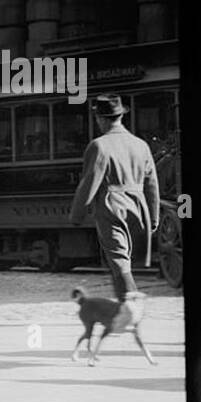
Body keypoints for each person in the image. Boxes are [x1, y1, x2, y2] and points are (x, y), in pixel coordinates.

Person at [69, 94, 160, 302]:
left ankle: (131, 309)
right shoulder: (141, 145)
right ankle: (124, 309)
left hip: (112, 205)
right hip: (138, 206)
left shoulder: (99, 145)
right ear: (120, 116)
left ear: (100, 119)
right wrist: (153, 219)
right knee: (122, 263)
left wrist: (77, 215)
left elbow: (89, 184)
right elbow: (152, 185)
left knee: (119, 263)